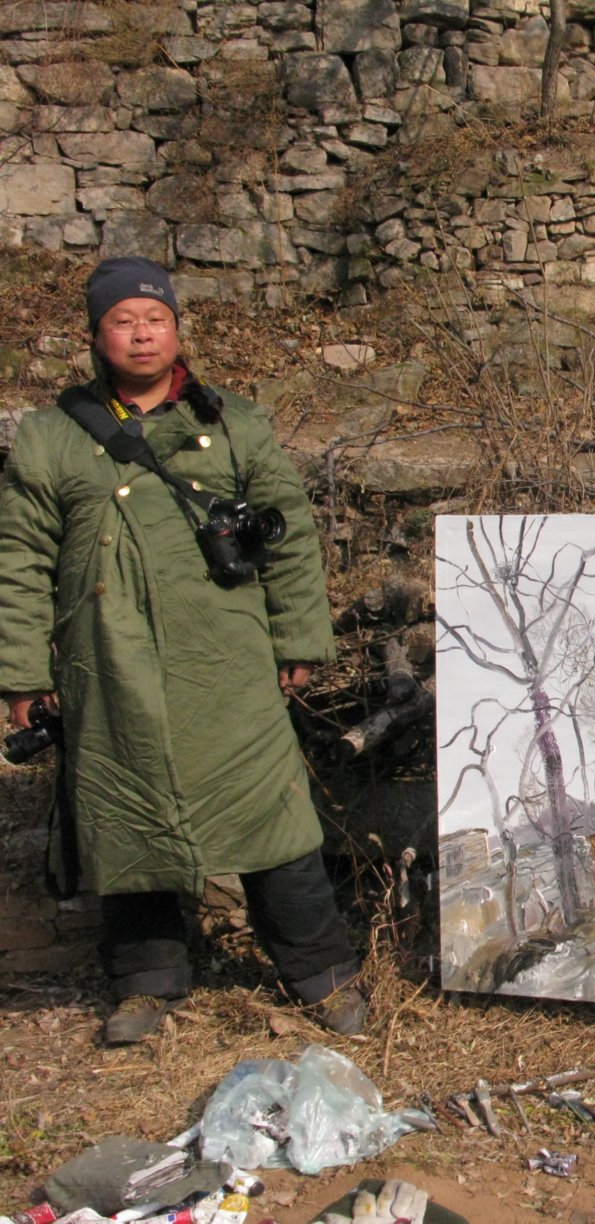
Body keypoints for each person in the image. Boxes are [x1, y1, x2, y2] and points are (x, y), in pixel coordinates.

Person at [0, 256, 367, 1044]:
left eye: (155, 319)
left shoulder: (233, 421)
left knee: (273, 818)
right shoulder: (52, 437)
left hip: (225, 660)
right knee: (125, 820)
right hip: (108, 663)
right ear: (97, 337)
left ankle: (320, 973)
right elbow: (21, 558)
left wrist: (298, 634)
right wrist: (22, 672)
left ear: (176, 329)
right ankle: (145, 982)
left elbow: (290, 532)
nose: (142, 334)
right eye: (123, 322)